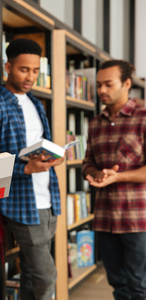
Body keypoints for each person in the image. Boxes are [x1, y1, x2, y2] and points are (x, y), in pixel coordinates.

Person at [0, 38, 63, 300]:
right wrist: (25, 168)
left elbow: (41, 145)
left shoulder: (36, 104)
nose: (30, 77)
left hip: (49, 198)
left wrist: (54, 157)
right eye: (23, 69)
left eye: (35, 71)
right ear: (8, 66)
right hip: (21, 204)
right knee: (46, 275)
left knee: (31, 271)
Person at [82, 60, 146, 300]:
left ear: (127, 84)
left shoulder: (143, 117)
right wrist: (95, 173)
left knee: (139, 286)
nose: (101, 91)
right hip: (105, 217)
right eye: (99, 85)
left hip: (138, 220)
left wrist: (118, 177)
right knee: (118, 285)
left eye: (108, 84)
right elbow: (87, 163)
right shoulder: (95, 123)